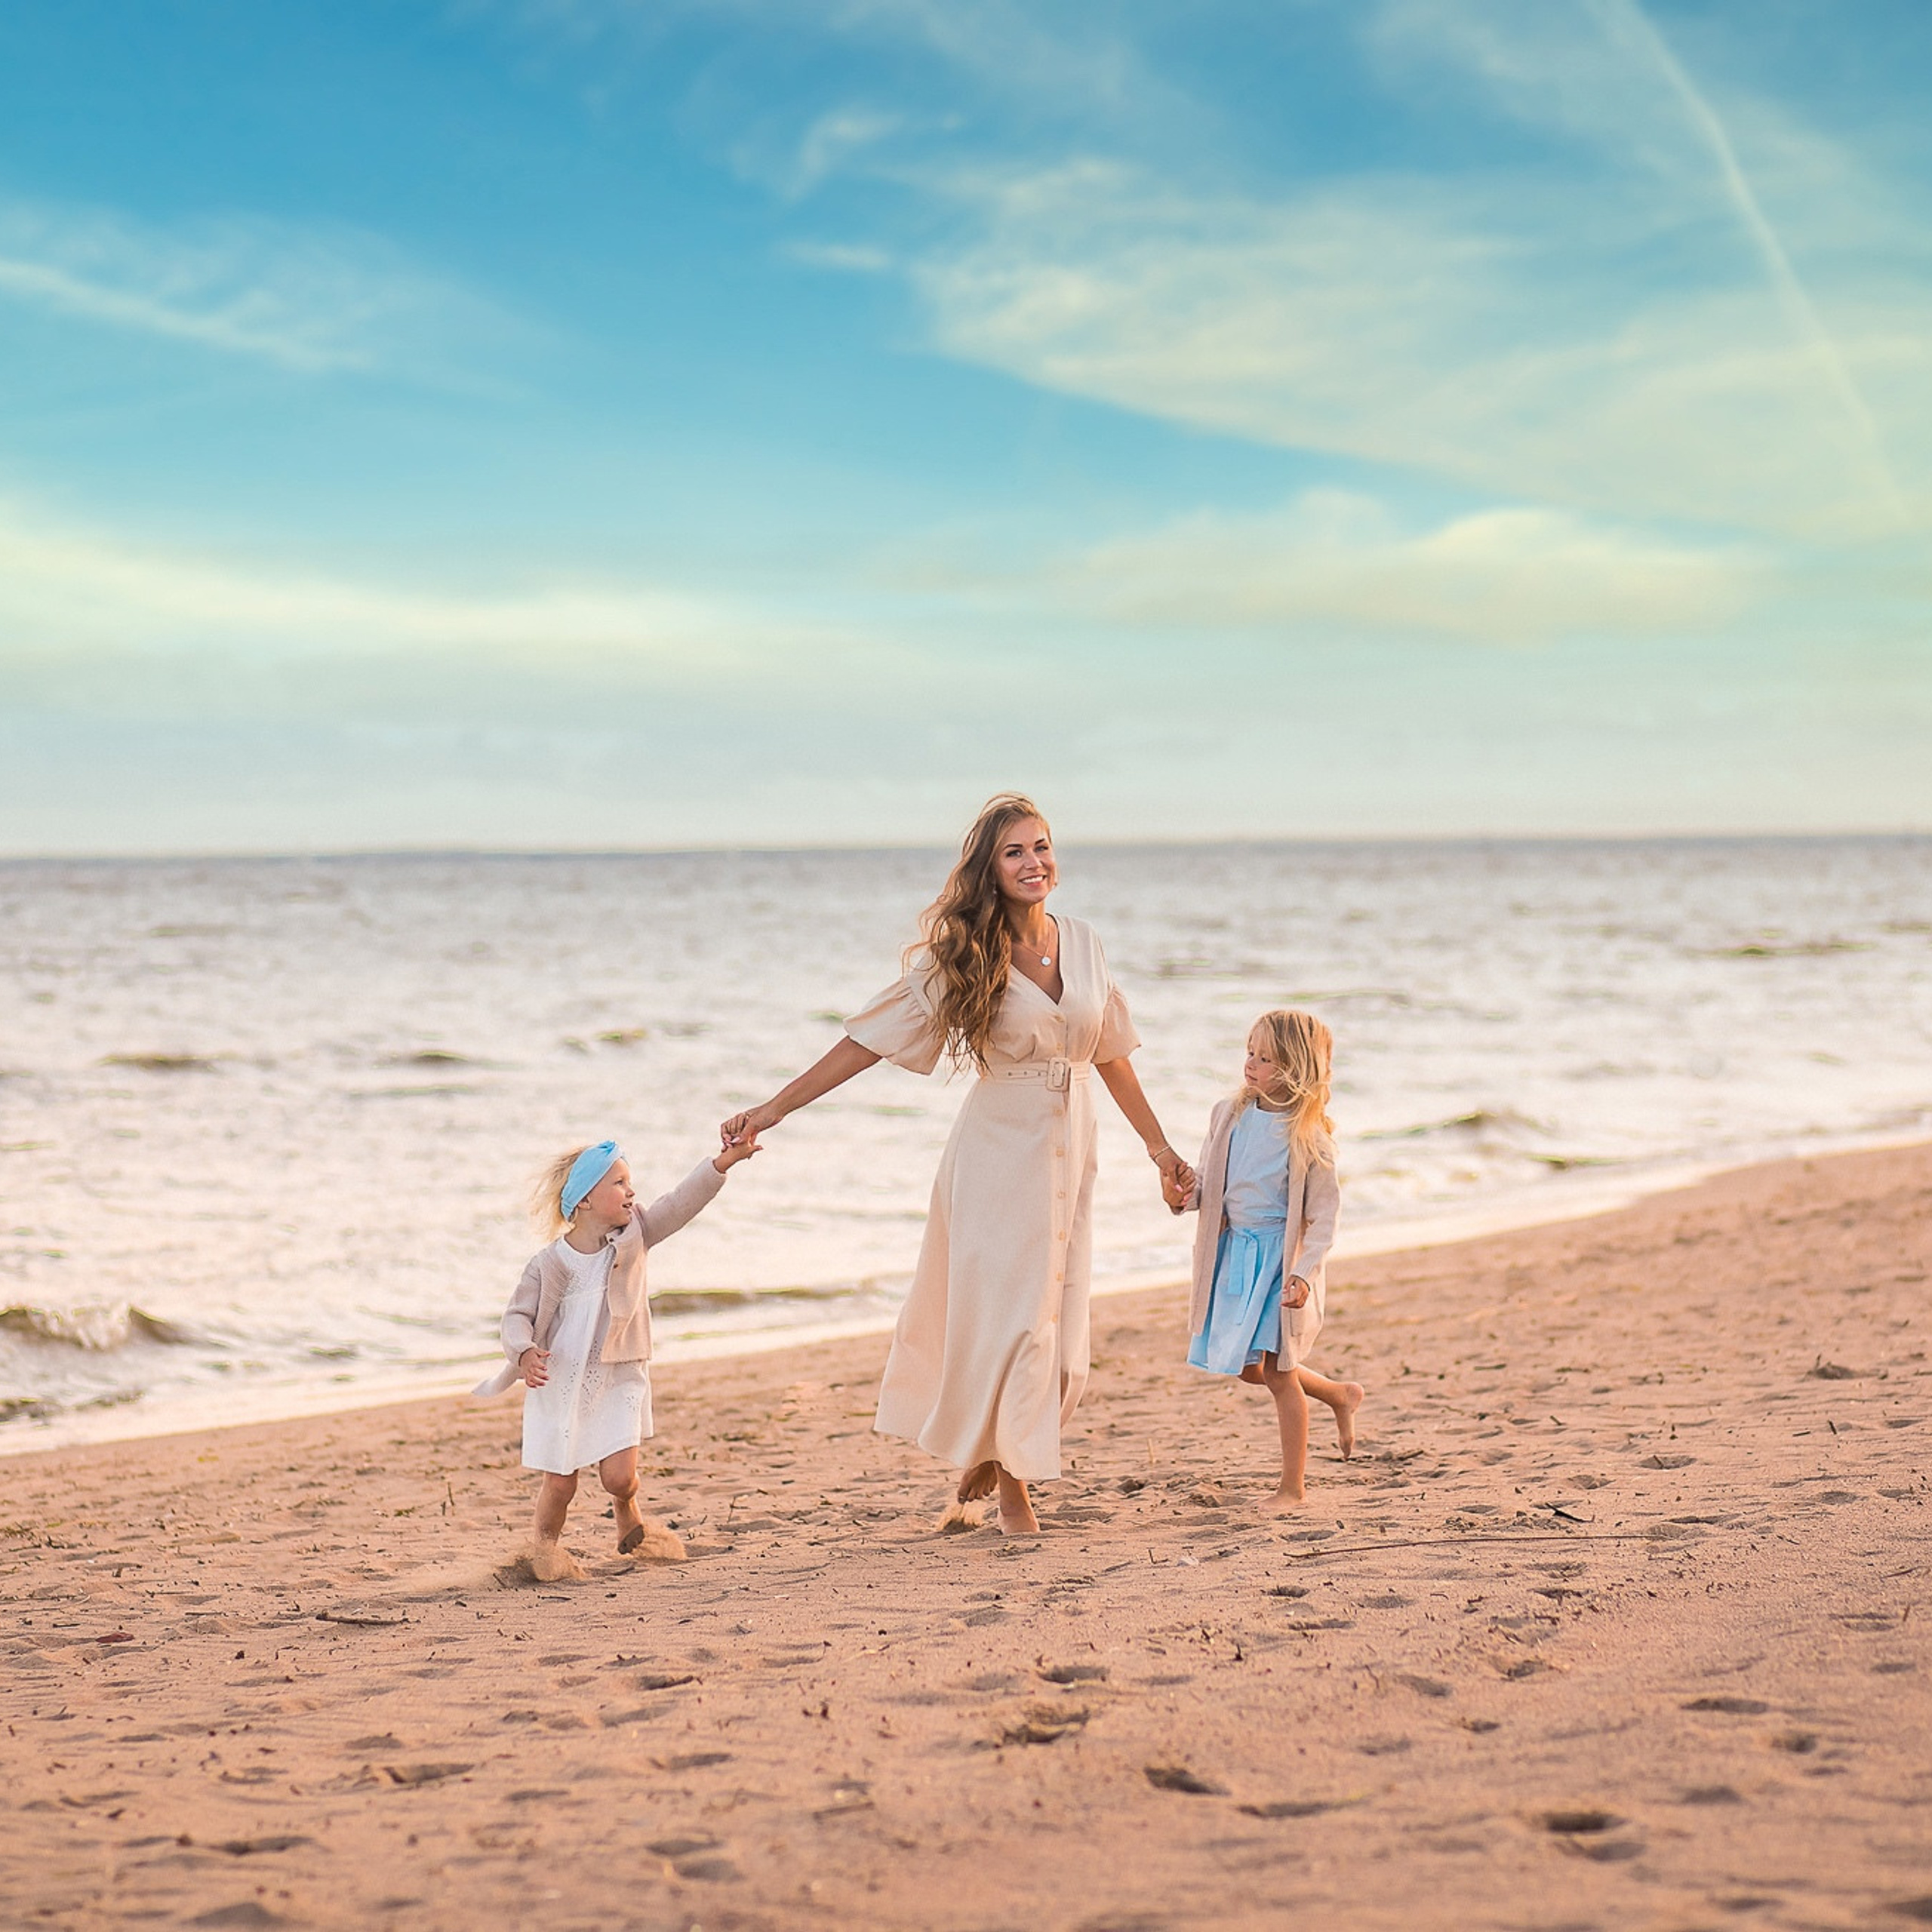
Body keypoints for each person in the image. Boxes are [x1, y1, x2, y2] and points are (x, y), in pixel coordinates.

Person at [720, 793, 1192, 1536]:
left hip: (1074, 1148)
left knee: (1061, 1327)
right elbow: (868, 1042)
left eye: (1041, 846)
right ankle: (1012, 1488)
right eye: (1014, 852)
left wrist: (1159, 1149)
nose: (1033, 862)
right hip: (1000, 1151)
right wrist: (774, 1107)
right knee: (1011, 1322)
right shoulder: (967, 957)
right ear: (989, 869)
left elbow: (1110, 1052)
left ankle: (994, 1449)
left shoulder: (1086, 942)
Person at [475, 1132, 760, 1581]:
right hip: (559, 1380)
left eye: (630, 1182)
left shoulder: (636, 1236)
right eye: (620, 1183)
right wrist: (524, 1352)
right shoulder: (549, 1264)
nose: (632, 1191)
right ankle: (543, 1551)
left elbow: (681, 1202)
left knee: (619, 1477)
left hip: (620, 1375)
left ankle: (627, 1509)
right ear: (585, 1200)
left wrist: (723, 1162)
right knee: (560, 1483)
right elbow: (517, 1316)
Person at [1166, 1009, 1362, 1510]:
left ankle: (1292, 1489)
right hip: (1235, 1259)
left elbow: (1324, 1219)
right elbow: (1210, 1188)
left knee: (1278, 1373)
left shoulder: (1309, 1138)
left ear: (1294, 1068)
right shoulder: (1228, 1116)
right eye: (1249, 1053)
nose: (1251, 1065)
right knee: (1247, 1368)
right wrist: (1181, 1196)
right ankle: (1339, 1394)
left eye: (1266, 1058)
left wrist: (1303, 1275)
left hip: (1279, 1264)